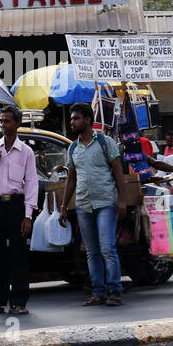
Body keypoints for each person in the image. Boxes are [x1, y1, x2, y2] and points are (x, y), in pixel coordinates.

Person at [59, 102, 128, 306]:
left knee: (107, 248)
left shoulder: (106, 143)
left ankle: (114, 291)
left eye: (76, 118)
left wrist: (122, 200)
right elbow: (71, 179)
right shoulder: (73, 148)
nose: (72, 122)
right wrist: (63, 207)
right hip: (83, 204)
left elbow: (118, 173)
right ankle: (98, 291)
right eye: (71, 119)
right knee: (91, 251)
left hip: (106, 202)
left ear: (88, 120)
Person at [0, 105, 38, 316]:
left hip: (15, 205)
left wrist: (28, 215)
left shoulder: (26, 152)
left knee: (18, 253)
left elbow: (31, 184)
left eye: (8, 121)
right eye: (1, 121)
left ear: (17, 123)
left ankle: (19, 300)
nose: (4, 125)